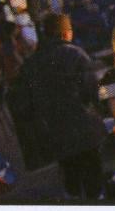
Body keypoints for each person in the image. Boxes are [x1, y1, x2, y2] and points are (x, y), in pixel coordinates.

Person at [8, 12, 106, 200]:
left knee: (71, 181)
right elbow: (91, 91)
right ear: (66, 33)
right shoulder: (75, 54)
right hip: (84, 130)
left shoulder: (30, 64)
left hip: (55, 133)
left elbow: (24, 105)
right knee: (93, 183)